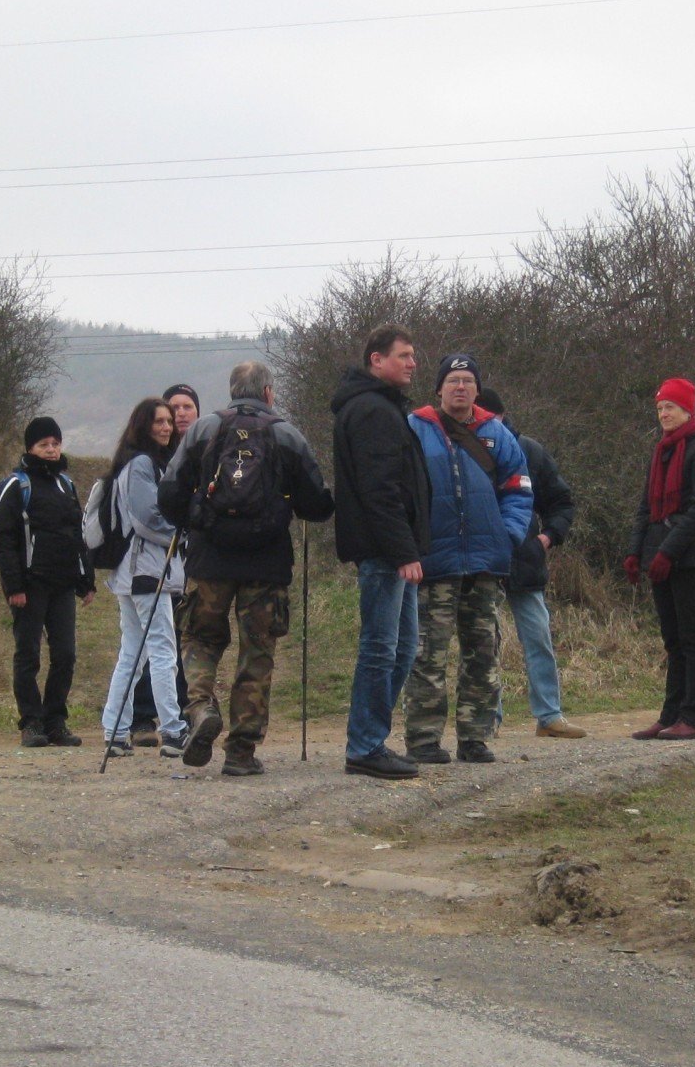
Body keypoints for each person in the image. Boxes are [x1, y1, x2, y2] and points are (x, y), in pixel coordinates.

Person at [158, 361, 334, 777]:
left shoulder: (204, 430)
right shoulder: (287, 433)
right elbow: (318, 505)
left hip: (209, 558)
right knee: (257, 653)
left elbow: (169, 494)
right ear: (269, 393)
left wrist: (197, 516)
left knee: (199, 638)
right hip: (266, 563)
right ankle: (241, 751)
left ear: (232, 390)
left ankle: (200, 708)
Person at [403, 353, 533, 765]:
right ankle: (423, 739)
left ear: (477, 389)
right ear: (439, 388)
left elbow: (519, 489)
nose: (460, 387)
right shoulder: (414, 428)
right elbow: (401, 492)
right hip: (434, 564)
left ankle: (474, 737)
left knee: (483, 654)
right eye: (453, 380)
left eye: (467, 380)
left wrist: (507, 535)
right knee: (428, 655)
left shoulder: (497, 433)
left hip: (485, 565)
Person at [331, 325, 433, 780]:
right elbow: (380, 492)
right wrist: (402, 550)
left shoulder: (383, 407)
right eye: (404, 355)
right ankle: (365, 744)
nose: (413, 363)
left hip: (393, 550)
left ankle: (371, 738)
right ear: (376, 359)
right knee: (381, 647)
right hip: (384, 552)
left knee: (404, 647)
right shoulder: (372, 411)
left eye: (413, 356)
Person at [475, 387, 585, 740]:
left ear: (501, 416)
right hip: (481, 562)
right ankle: (489, 717)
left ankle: (549, 715)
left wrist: (546, 538)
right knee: (482, 643)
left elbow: (561, 502)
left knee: (537, 638)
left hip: (525, 561)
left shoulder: (530, 451)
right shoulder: (460, 450)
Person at [0, 416, 95, 748]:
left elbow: (78, 534)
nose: (51, 450)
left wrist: (86, 580)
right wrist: (14, 587)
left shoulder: (67, 486)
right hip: (30, 587)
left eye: (55, 444)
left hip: (62, 584)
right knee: (28, 654)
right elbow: (4, 542)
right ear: (30, 448)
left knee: (65, 655)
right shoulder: (15, 487)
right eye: (44, 445)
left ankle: (55, 721)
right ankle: (30, 722)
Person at [624, 377, 695, 741]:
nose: (664, 413)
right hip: (659, 556)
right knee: (672, 639)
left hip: (690, 557)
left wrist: (669, 551)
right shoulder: (660, 451)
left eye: (671, 407)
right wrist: (636, 552)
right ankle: (669, 715)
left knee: (692, 637)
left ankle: (692, 718)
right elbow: (645, 508)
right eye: (660, 407)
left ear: (687, 410)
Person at [97, 398, 186, 756]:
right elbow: (147, 518)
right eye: (158, 422)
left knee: (133, 653)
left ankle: (115, 732)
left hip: (137, 573)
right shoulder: (142, 464)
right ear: (143, 427)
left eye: (168, 421)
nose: (166, 427)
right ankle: (174, 731)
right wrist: (183, 534)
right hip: (147, 572)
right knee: (163, 651)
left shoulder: (142, 463)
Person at [131, 383, 203, 744]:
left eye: (188, 406)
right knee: (156, 638)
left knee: (184, 637)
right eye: (174, 408)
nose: (180, 414)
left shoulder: (205, 450)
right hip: (159, 559)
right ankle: (145, 714)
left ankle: (181, 710)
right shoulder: (152, 460)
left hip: (194, 560)